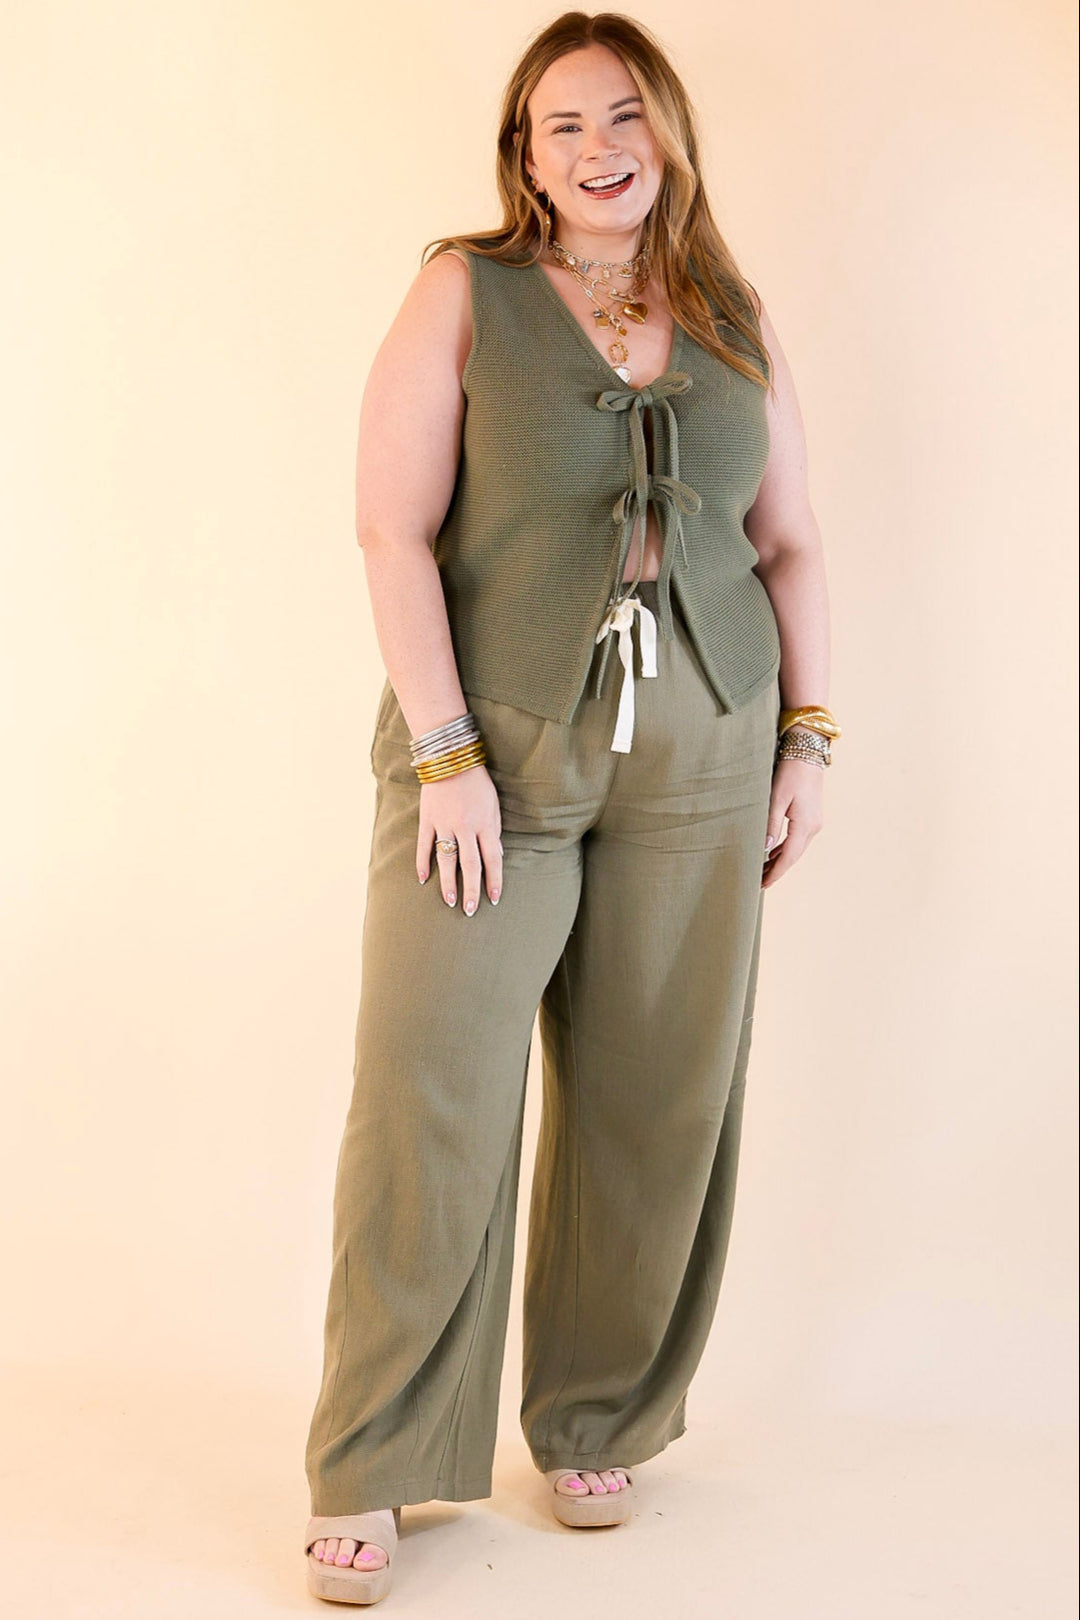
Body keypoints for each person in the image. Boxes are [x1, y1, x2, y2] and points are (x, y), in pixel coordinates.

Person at [302, 10, 838, 1605]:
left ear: (666, 129)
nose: (598, 148)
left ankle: (596, 1413)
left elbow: (791, 539)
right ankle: (376, 1457)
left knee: (656, 1097)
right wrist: (445, 752)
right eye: (561, 125)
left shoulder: (732, 310)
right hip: (497, 757)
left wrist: (809, 737)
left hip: (709, 751)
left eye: (623, 115)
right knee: (432, 1100)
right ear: (523, 157)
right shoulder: (462, 290)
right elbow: (390, 531)